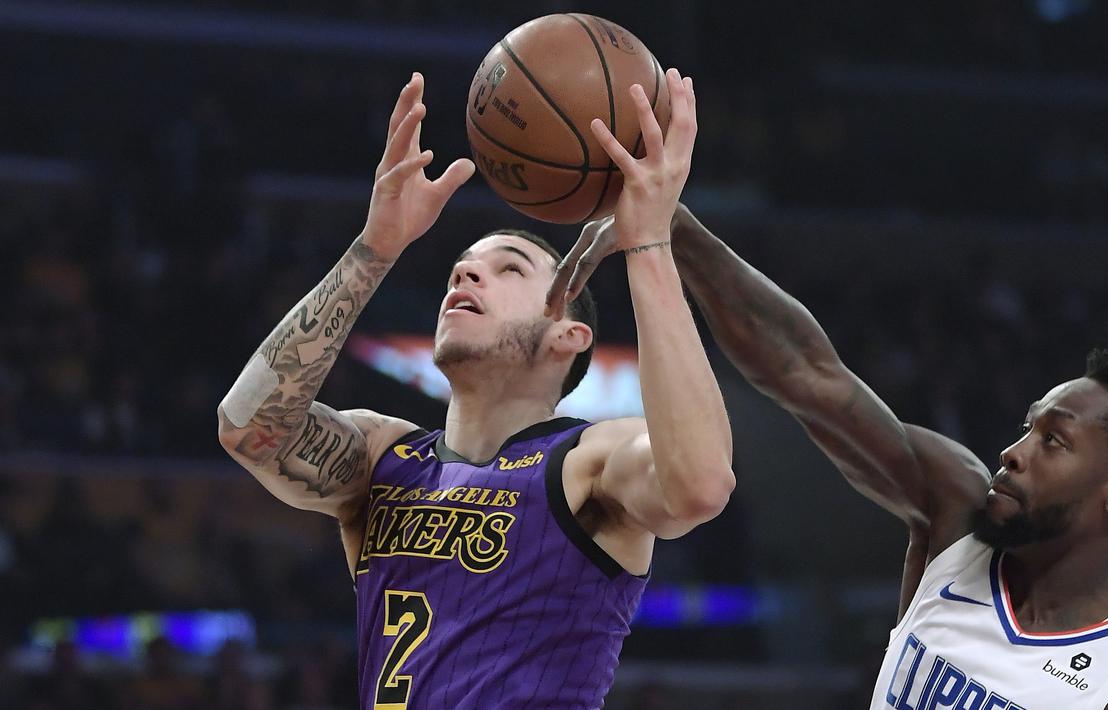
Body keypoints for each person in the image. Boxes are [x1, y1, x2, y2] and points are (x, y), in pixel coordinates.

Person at [548, 205, 1108, 708]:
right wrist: (679, 229)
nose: (1012, 454)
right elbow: (809, 376)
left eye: (1053, 442)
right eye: (1027, 428)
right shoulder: (957, 505)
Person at [218, 69, 733, 710]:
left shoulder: (587, 465)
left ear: (565, 335)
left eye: (508, 267)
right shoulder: (386, 460)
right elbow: (249, 428)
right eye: (465, 265)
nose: (466, 270)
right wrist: (375, 248)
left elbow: (702, 484)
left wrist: (648, 244)